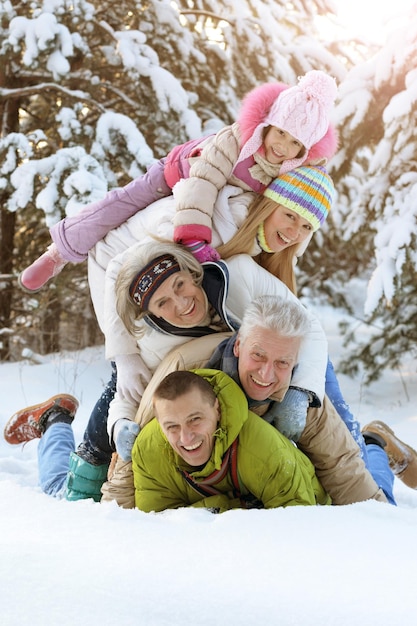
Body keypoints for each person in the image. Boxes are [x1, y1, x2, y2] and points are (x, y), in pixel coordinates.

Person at [5, 297, 417, 506]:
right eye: (258, 355)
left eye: (283, 363)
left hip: (245, 484)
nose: (267, 374)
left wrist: (378, 528)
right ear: (238, 346)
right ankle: (56, 422)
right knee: (64, 495)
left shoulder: (300, 397)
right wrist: (115, 518)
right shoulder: (185, 374)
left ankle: (374, 445)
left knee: (375, 492)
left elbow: (342, 471)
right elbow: (141, 451)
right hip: (125, 422)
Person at [19, 70, 338, 291]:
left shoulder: (292, 170)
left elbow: (304, 209)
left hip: (218, 188)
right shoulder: (233, 140)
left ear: (305, 149)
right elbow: (202, 185)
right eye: (281, 132)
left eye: (295, 142)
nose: (282, 147)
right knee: (123, 203)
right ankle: (58, 252)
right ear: (268, 125)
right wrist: (194, 237)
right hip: (180, 170)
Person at [131, 369, 331, 512]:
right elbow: (159, 529)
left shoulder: (263, 448)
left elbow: (299, 521)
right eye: (172, 426)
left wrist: (209, 515)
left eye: (195, 420)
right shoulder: (148, 451)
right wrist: (228, 507)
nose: (186, 437)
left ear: (217, 409)